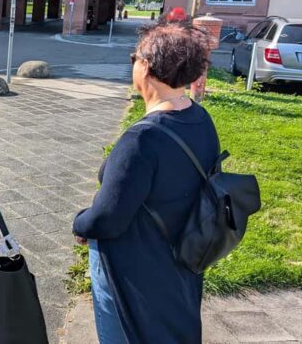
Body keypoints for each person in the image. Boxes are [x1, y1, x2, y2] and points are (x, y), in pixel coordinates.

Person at [72, 20, 216, 344]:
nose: (133, 64)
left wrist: (80, 223)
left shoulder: (142, 140)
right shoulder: (200, 119)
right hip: (181, 263)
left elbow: (107, 220)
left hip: (136, 273)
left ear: (146, 67)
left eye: (133, 58)